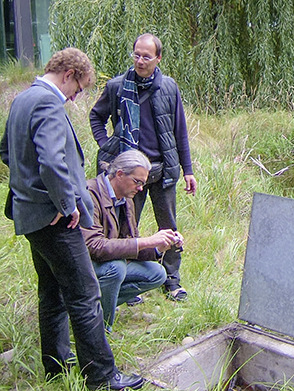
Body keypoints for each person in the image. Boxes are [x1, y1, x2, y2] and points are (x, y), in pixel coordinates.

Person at [0, 48, 143, 390]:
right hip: (56, 220)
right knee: (84, 293)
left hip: (31, 216)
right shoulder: (48, 102)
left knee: (52, 292)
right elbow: (51, 162)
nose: (76, 97)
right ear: (68, 73)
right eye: (78, 88)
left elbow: (7, 152)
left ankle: (56, 367)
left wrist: (32, 197)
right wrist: (65, 205)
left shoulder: (22, 100)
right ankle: (102, 377)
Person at [90, 33, 197, 302]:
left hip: (162, 171)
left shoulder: (169, 88)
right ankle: (128, 283)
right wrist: (108, 145)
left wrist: (188, 170)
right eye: (136, 55)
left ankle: (172, 281)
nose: (140, 60)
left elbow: (179, 131)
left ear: (158, 58)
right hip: (129, 173)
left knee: (168, 225)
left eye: (146, 56)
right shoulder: (116, 87)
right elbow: (96, 116)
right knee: (125, 227)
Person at [81, 150, 184, 332]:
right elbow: (94, 247)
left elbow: (130, 244)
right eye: (137, 182)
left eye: (143, 183)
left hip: (108, 262)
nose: (141, 189)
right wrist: (145, 241)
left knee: (157, 274)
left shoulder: (126, 198)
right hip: (84, 267)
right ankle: (101, 329)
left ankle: (90, 309)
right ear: (119, 174)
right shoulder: (90, 194)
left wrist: (159, 246)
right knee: (116, 269)